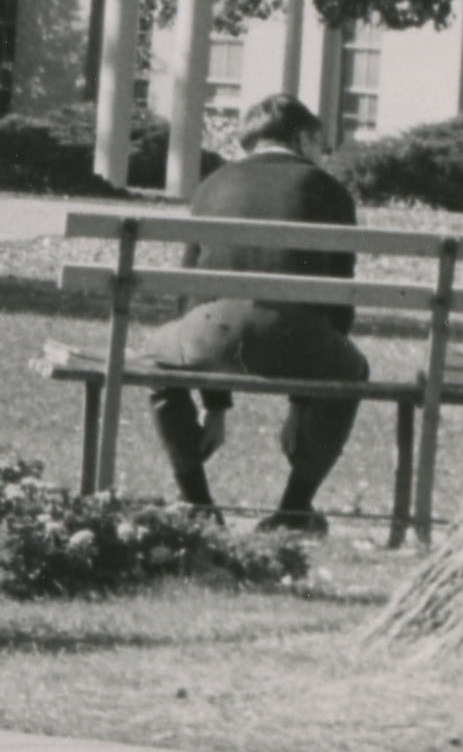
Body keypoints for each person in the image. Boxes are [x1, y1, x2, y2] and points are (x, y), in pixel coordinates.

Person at [138, 93, 367, 532]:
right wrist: (304, 400)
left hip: (210, 332)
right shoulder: (328, 190)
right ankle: (295, 509)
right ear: (300, 138)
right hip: (300, 341)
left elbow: (191, 289)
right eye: (317, 142)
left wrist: (215, 404)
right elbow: (338, 299)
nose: (320, 152)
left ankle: (198, 504)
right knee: (352, 370)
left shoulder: (212, 185)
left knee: (155, 357)